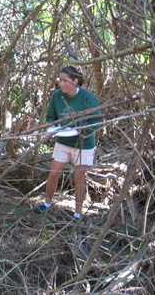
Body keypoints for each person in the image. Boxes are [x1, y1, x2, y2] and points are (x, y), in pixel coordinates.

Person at [32, 66, 102, 221]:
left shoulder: (88, 98)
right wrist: (52, 126)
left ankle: (77, 213)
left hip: (83, 143)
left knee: (79, 177)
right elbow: (51, 117)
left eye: (65, 80)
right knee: (54, 173)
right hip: (63, 140)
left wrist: (81, 129)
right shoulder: (57, 96)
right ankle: (47, 203)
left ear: (75, 81)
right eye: (60, 80)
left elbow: (97, 121)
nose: (61, 84)